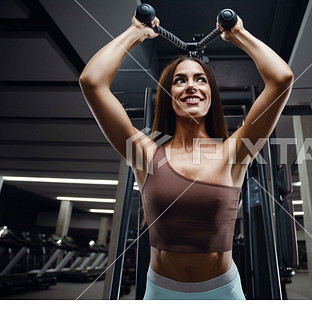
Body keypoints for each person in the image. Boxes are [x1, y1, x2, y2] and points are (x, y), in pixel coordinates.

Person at [79, 12, 293, 300]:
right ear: (169, 96)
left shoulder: (234, 153)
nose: (191, 85)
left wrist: (238, 35)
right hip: (161, 294)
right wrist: (136, 33)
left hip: (224, 294)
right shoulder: (146, 154)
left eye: (200, 80)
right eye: (179, 80)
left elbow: (281, 79)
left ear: (210, 95)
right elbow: (92, 81)